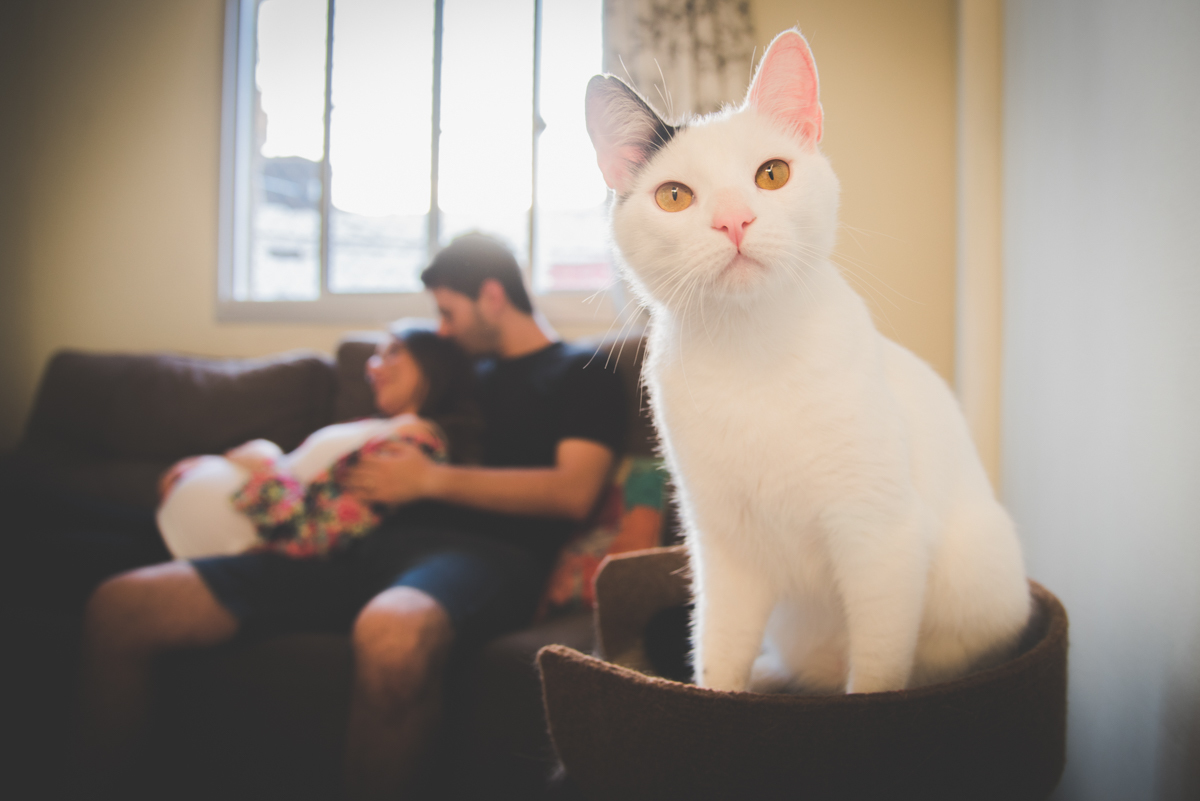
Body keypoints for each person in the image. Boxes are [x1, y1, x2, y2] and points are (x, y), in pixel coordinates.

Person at [80, 233, 627, 799]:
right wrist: (224, 464)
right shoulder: (460, 376)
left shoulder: (580, 368)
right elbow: (336, 453)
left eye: (448, 311)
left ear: (492, 296)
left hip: (483, 558)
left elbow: (572, 492)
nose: (440, 329)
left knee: (392, 629)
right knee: (120, 605)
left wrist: (431, 481)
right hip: (356, 545)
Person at [155, 325, 479, 560]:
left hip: (213, 551)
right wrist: (209, 466)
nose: (371, 366)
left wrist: (264, 459)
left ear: (435, 365)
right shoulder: (380, 427)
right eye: (375, 356)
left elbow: (308, 538)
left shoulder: (414, 442)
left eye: (393, 351)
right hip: (180, 528)